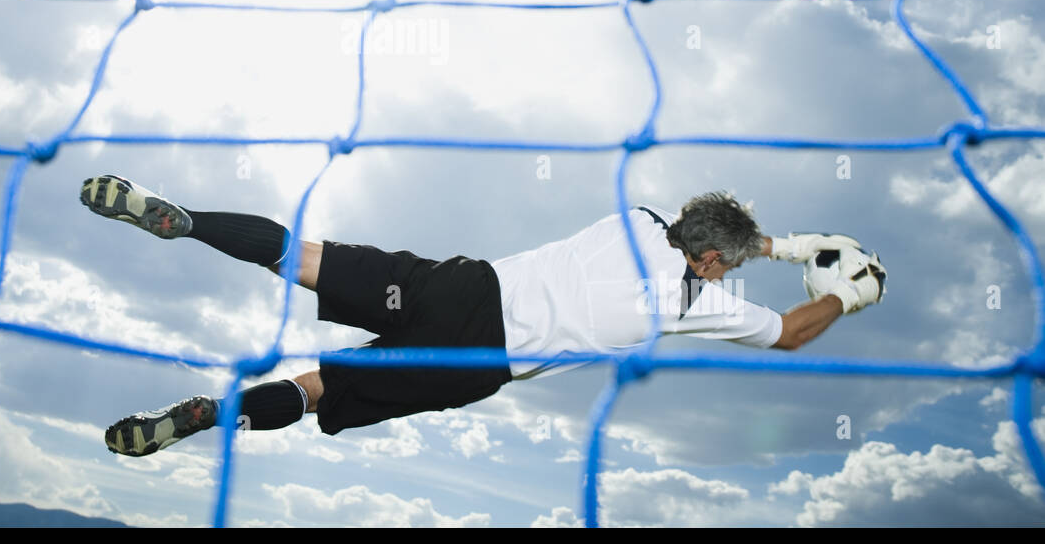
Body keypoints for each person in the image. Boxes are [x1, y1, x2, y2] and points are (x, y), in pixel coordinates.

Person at [80, 176, 884, 456]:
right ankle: (212, 414)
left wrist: (790, 244)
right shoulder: (688, 303)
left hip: (457, 288)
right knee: (324, 386)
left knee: (306, 255)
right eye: (728, 265)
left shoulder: (636, 219)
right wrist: (845, 291)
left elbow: (711, 230)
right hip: (473, 363)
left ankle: (186, 219)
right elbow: (788, 332)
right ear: (711, 265)